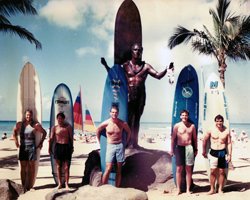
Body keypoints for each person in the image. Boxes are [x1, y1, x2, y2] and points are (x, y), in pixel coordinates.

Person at [101, 43, 173, 148]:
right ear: (132, 51)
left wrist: (167, 69)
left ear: (142, 52)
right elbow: (113, 74)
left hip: (140, 97)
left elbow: (158, 76)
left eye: (139, 50)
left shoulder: (146, 67)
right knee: (128, 120)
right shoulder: (125, 65)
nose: (137, 52)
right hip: (128, 96)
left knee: (137, 121)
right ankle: (126, 142)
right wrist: (105, 65)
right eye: (135, 50)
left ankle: (134, 143)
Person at [96, 105, 131, 187]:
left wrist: (126, 143)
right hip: (110, 146)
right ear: (110, 113)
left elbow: (129, 132)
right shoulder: (106, 123)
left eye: (116, 112)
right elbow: (97, 130)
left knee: (119, 169)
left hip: (120, 146)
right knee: (108, 168)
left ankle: (117, 188)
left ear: (118, 113)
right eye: (113, 112)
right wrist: (99, 142)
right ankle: (103, 188)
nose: (114, 114)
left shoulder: (122, 123)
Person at [12, 109, 47, 191]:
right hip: (23, 148)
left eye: (30, 115)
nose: (28, 116)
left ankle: (30, 187)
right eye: (27, 115)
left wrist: (41, 143)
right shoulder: (20, 124)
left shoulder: (35, 125)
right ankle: (23, 186)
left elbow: (44, 132)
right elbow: (14, 132)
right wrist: (16, 142)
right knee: (23, 168)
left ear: (32, 115)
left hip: (32, 147)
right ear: (25, 115)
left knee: (31, 167)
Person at [169, 110, 197, 195]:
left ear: (188, 116)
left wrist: (196, 149)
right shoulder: (177, 126)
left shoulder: (192, 126)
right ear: (180, 116)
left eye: (186, 115)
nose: (184, 117)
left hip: (189, 148)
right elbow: (173, 139)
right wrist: (171, 149)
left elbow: (195, 140)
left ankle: (188, 189)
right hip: (179, 148)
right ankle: (178, 189)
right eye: (183, 115)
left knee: (188, 170)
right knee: (179, 169)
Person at [202, 114, 232, 195]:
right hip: (213, 152)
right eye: (217, 121)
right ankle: (212, 189)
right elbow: (204, 140)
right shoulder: (210, 129)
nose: (219, 122)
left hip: (222, 152)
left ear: (223, 121)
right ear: (215, 121)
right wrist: (203, 151)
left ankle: (220, 189)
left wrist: (230, 155)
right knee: (212, 171)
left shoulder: (226, 130)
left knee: (222, 171)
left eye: (220, 121)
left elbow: (229, 143)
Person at [48, 112, 73, 190]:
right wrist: (49, 148)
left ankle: (67, 184)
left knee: (66, 167)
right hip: (58, 147)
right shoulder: (54, 128)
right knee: (58, 167)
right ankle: (59, 184)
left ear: (63, 119)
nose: (60, 120)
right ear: (57, 119)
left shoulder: (68, 127)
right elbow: (51, 139)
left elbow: (71, 138)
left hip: (66, 147)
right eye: (58, 119)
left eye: (61, 118)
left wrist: (72, 147)